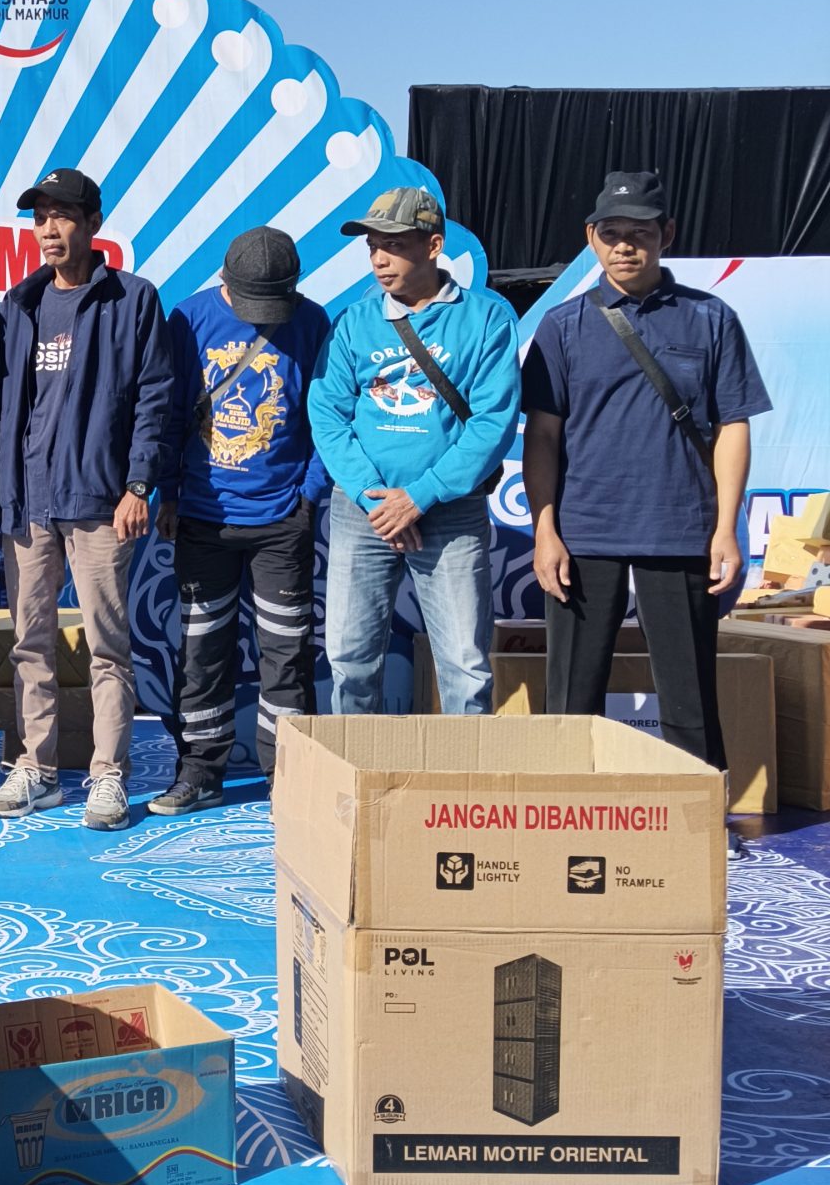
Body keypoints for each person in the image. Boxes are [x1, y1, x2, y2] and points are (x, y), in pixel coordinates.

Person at [521, 169, 769, 781]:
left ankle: (696, 819)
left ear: (667, 234)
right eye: (611, 233)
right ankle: (565, 808)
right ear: (591, 237)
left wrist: (726, 529)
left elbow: (732, 426)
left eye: (640, 232)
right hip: (584, 532)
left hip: (680, 528)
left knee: (689, 701)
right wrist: (545, 530)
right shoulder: (562, 325)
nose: (625, 246)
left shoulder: (711, 317)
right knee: (571, 700)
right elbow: (542, 437)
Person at [0, 168, 171, 831]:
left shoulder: (132, 299)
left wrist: (138, 484)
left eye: (62, 216)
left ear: (93, 224)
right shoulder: (19, 303)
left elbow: (154, 397)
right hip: (28, 502)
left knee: (107, 646)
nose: (49, 229)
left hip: (101, 502)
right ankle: (38, 769)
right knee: (30, 642)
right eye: (40, 218)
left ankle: (108, 776)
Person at [309, 186, 520, 716]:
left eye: (394, 245)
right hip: (365, 513)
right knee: (350, 659)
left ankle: (465, 771)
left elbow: (493, 423)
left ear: (433, 245)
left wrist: (420, 497)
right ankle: (354, 767)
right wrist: (375, 498)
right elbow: (327, 415)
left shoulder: (486, 319)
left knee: (465, 666)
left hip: (450, 511)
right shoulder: (353, 322)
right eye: (373, 247)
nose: (379, 259)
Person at [150, 226, 330, 815]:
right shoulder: (190, 318)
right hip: (205, 517)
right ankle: (200, 772)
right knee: (202, 650)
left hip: (283, 519)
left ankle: (289, 777)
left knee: (286, 652)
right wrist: (169, 494)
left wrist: (308, 497)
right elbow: (169, 412)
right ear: (225, 281)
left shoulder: (311, 321)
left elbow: (326, 415)